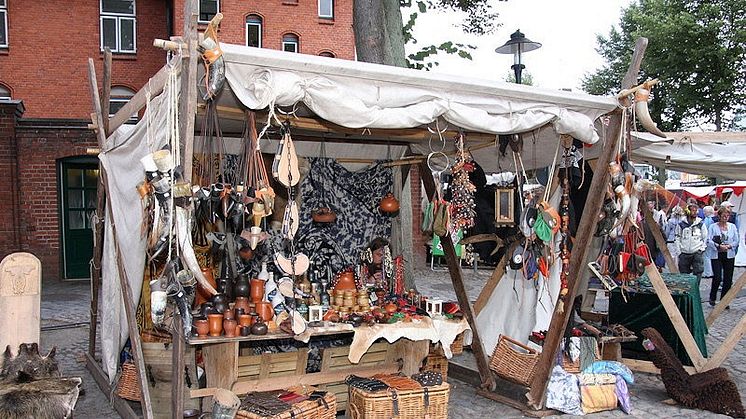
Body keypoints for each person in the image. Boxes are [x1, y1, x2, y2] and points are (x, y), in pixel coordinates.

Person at [707, 206, 739, 307]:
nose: (726, 217)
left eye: (727, 216)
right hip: (717, 254)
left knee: (728, 278)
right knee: (717, 277)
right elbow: (708, 240)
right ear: (719, 216)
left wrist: (729, 246)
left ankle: (724, 300)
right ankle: (712, 296)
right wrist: (718, 246)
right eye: (724, 215)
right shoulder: (713, 227)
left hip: (729, 254)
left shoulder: (732, 227)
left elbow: (736, 240)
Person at [675, 203, 708, 285]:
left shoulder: (700, 223)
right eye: (692, 210)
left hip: (696, 251)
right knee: (683, 273)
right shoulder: (681, 224)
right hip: (684, 252)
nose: (694, 212)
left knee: (698, 272)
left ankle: (696, 289)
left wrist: (701, 249)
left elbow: (705, 237)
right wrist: (679, 251)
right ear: (688, 211)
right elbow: (677, 237)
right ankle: (685, 290)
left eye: (695, 210)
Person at [663, 206, 684, 272]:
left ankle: (668, 271)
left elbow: (667, 232)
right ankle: (677, 271)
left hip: (671, 240)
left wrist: (665, 239)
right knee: (677, 257)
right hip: (679, 240)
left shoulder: (670, 221)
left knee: (670, 257)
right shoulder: (683, 221)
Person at [702, 205, 716, 278]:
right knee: (711, 256)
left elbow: (706, 230)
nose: (703, 213)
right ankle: (712, 271)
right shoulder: (714, 219)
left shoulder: (707, 219)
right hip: (713, 240)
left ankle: (708, 272)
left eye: (705, 211)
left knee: (706, 256)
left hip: (708, 240)